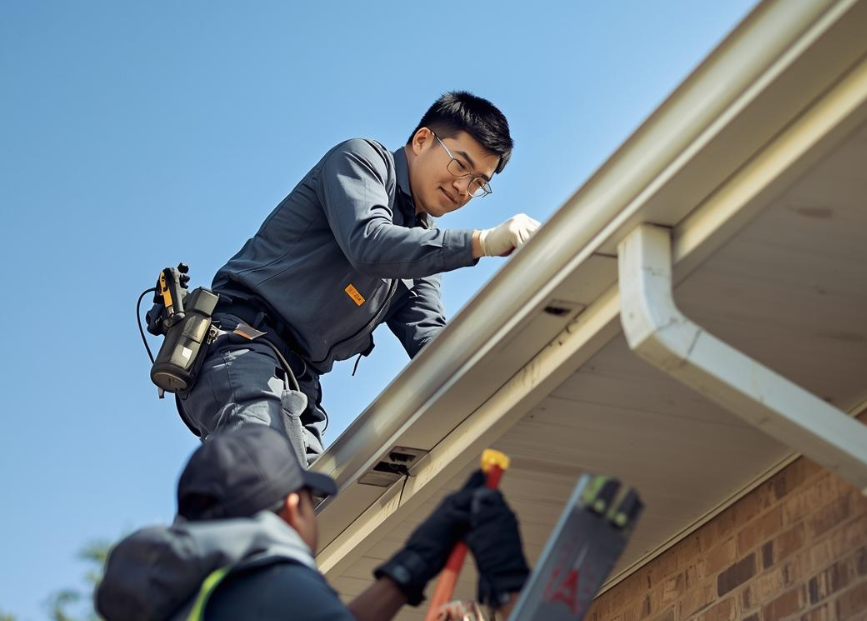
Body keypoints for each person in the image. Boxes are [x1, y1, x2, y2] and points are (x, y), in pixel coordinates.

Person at [176, 91, 540, 465]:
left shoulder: (420, 248)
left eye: (479, 182)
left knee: (319, 512)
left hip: (298, 384)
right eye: (460, 166)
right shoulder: (361, 161)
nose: (464, 188)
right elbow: (369, 243)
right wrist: (482, 242)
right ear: (422, 140)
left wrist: (514, 366)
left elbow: (430, 339)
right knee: (271, 477)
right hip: (242, 346)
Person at [96, 426, 531, 621]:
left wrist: (413, 564)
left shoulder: (208, 596)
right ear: (291, 506)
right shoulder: (270, 585)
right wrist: (510, 590)